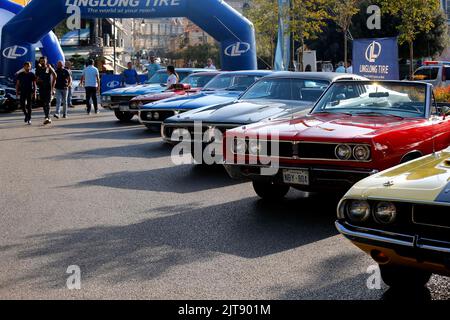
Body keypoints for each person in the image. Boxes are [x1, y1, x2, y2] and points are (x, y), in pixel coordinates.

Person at [35, 56, 56, 125]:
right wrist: (38, 80)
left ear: (46, 61)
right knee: (44, 104)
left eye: (44, 61)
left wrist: (52, 87)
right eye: (41, 61)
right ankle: (47, 117)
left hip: (48, 89)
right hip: (41, 89)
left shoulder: (48, 68)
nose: (42, 62)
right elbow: (36, 78)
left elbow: (55, 76)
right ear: (39, 62)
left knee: (47, 103)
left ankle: (47, 117)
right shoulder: (38, 69)